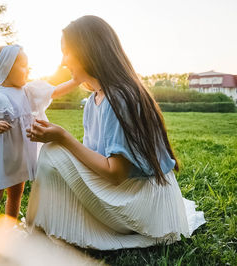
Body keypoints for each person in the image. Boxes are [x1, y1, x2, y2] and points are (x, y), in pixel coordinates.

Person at [26, 16, 205, 250]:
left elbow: (116, 174)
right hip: (128, 194)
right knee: (55, 152)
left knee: (52, 152)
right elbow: (93, 158)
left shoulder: (118, 98)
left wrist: (64, 138)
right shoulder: (94, 100)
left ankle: (37, 229)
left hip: (143, 203)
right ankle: (39, 226)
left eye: (67, 52)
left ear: (87, 51)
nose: (62, 62)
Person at [0, 44, 79, 244]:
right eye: (23, 66)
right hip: (1, 155)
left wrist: (75, 81)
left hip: (20, 154)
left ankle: (10, 226)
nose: (28, 70)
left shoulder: (29, 92)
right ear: (6, 69)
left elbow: (53, 91)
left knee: (17, 191)